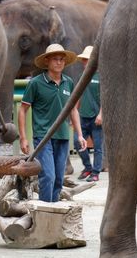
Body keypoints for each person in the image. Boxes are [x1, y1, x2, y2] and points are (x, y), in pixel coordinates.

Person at [18, 44, 87, 202]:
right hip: (43, 137)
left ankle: (54, 211)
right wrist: (23, 137)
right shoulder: (35, 83)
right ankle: (44, 212)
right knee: (48, 176)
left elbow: (73, 110)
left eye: (62, 60)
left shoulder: (68, 82)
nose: (59, 62)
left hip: (63, 136)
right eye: (55, 59)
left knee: (58, 179)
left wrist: (80, 135)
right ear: (47, 61)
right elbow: (22, 110)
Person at [75, 46, 103, 182]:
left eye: (87, 60)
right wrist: (74, 112)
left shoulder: (102, 76)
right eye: (84, 60)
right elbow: (78, 96)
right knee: (77, 142)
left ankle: (96, 172)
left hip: (96, 117)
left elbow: (106, 97)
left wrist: (101, 114)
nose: (85, 62)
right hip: (83, 116)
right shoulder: (82, 77)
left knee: (98, 147)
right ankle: (87, 167)